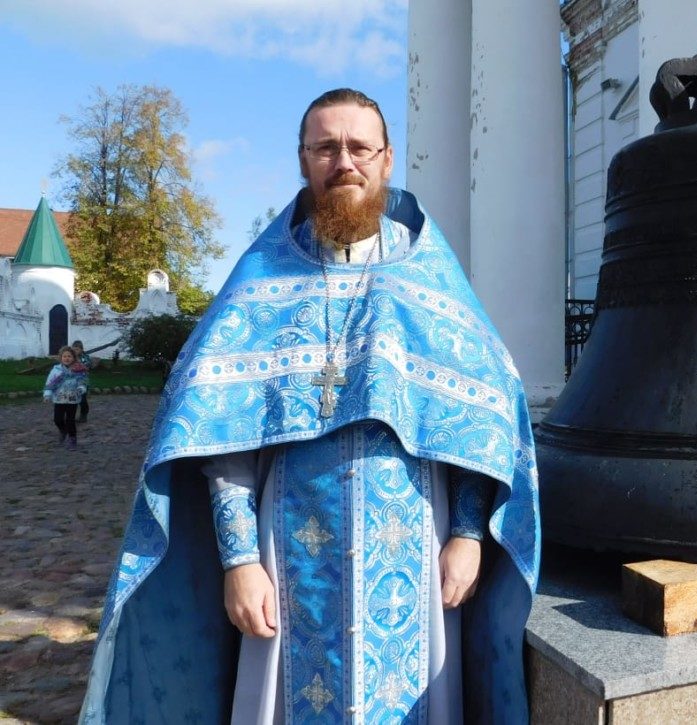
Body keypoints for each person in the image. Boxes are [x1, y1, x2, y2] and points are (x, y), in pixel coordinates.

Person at [80, 88, 540, 723]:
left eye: (359, 147)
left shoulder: (431, 280)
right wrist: (240, 561)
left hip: (411, 547)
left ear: (386, 160)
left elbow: (478, 425)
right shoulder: (261, 279)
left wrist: (466, 535)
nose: (343, 162)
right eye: (326, 147)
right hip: (286, 550)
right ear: (303, 160)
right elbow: (220, 438)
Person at [43, 345, 88, 450]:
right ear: (61, 358)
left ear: (73, 358)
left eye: (69, 356)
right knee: (57, 419)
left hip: (73, 399)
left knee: (70, 420)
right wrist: (47, 394)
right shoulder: (56, 370)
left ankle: (72, 439)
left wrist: (82, 388)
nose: (67, 358)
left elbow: (83, 381)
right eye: (64, 356)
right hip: (59, 399)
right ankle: (63, 430)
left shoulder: (79, 370)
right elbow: (50, 383)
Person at [70, 340, 92, 423]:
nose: (75, 351)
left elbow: (87, 366)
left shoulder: (85, 357)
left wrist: (79, 364)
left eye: (77, 349)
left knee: (82, 399)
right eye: (74, 349)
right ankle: (71, 416)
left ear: (81, 349)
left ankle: (84, 414)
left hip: (83, 382)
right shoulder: (71, 357)